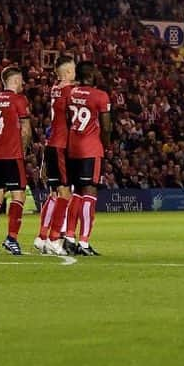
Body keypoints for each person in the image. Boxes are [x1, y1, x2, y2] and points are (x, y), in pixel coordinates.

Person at [62, 62, 112, 256]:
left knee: (77, 193)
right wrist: (106, 145)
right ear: (91, 74)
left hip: (73, 147)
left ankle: (69, 237)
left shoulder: (72, 93)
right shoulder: (100, 96)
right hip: (91, 149)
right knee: (90, 193)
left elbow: (68, 119)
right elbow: (106, 127)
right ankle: (83, 243)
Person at [0, 66, 33, 255]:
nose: (23, 83)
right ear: (14, 81)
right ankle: (11, 238)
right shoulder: (19, 100)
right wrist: (23, 151)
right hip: (12, 155)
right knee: (18, 196)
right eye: (21, 80)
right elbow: (25, 130)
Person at [35, 55, 75, 255]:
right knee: (65, 194)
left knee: (55, 193)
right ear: (68, 72)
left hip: (51, 144)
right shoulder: (69, 92)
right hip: (61, 146)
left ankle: (43, 236)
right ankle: (54, 238)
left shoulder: (55, 89)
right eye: (73, 69)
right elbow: (72, 119)